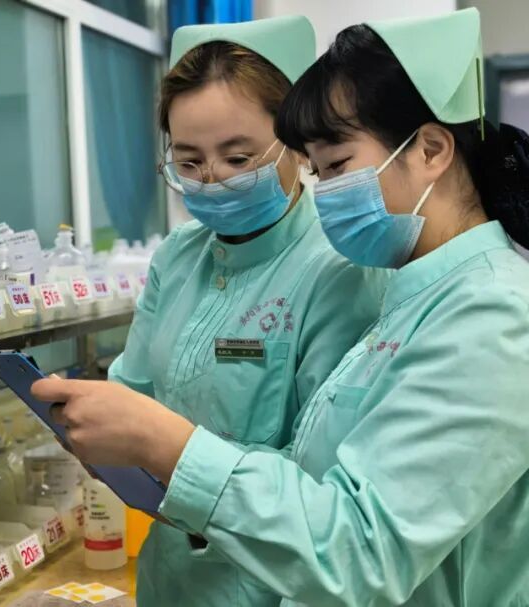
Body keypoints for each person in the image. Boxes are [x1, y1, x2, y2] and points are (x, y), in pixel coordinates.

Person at [35, 8, 529, 606]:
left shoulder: (501, 320)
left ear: (430, 149)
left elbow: (362, 552)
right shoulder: (418, 298)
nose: (325, 196)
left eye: (337, 167)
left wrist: (167, 444)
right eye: (320, 172)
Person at [105, 15, 389, 607]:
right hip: (169, 579)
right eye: (189, 163)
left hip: (270, 586)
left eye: (238, 158)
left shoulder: (340, 270)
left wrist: (171, 453)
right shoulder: (178, 256)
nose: (212, 181)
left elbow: (327, 482)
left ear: (298, 146)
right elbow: (133, 392)